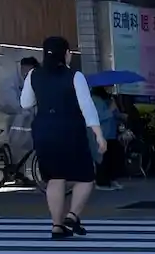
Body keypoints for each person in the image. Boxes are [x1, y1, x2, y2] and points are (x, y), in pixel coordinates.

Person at [20, 36, 104, 239]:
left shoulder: (33, 75)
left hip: (44, 131)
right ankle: (72, 216)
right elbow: (87, 107)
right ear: (66, 54)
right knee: (86, 177)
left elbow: (25, 103)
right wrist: (99, 134)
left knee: (55, 178)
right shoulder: (74, 76)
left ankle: (57, 226)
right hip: (70, 131)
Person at [90, 87, 125, 191]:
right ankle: (102, 182)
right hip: (102, 133)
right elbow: (98, 117)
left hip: (112, 133)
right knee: (103, 159)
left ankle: (112, 179)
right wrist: (111, 110)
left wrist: (120, 116)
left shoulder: (108, 99)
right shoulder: (94, 100)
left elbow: (113, 115)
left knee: (114, 157)